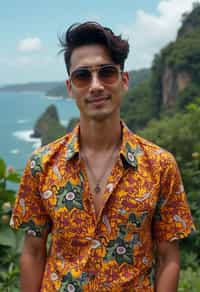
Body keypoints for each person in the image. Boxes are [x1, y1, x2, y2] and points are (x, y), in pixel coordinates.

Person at [10, 22, 195, 292]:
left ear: (124, 80)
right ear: (70, 87)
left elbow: (168, 257)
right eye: (83, 76)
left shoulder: (160, 165)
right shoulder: (42, 165)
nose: (96, 86)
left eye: (107, 73)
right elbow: (33, 253)